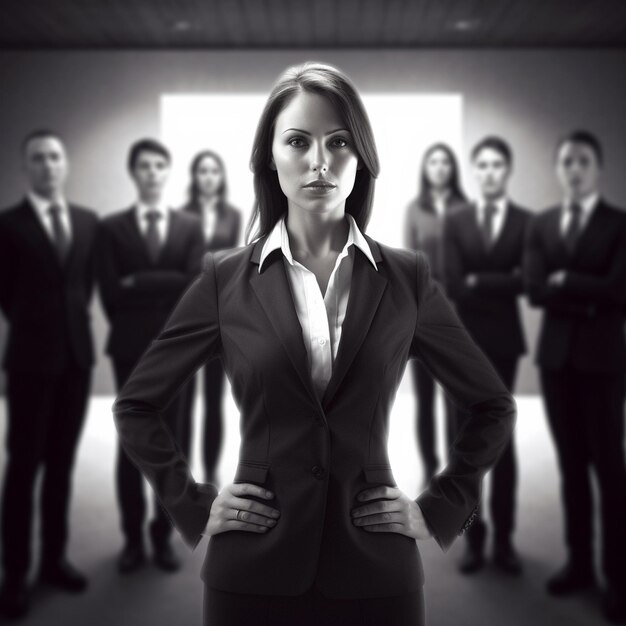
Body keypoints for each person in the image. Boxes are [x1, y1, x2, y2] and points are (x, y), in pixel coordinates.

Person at [112, 62, 516, 626]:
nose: (320, 162)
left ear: (362, 158)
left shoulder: (408, 277)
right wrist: (194, 504)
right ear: (269, 158)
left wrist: (443, 510)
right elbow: (136, 405)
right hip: (252, 570)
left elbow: (492, 406)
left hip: (378, 571)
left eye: (340, 142)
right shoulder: (223, 279)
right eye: (298, 141)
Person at [523, 130, 626, 624]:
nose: (574, 168)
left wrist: (570, 283)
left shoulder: (619, 223)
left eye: (583, 160)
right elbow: (536, 291)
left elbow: (620, 291)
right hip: (556, 363)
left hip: (603, 364)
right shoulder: (542, 225)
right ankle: (581, 566)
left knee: (611, 472)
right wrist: (584, 293)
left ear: (597, 167)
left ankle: (619, 580)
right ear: (559, 168)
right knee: (571, 471)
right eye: (566, 161)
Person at [0, 130, 98, 619]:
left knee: (61, 466)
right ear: (27, 167)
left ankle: (53, 561)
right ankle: (14, 575)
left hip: (77, 362)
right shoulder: (7, 224)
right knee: (22, 469)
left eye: (55, 157)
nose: (48, 165)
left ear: (66, 164)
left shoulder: (86, 222)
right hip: (30, 363)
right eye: (37, 158)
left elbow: (85, 287)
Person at [95, 139, 205, 575]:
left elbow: (193, 286)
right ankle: (132, 540)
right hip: (130, 351)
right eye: (145, 165)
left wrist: (137, 281)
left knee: (173, 446)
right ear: (134, 173)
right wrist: (166, 282)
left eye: (160, 165)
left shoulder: (190, 225)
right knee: (131, 446)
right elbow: (108, 294)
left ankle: (163, 537)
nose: (153, 172)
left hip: (178, 352)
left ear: (168, 172)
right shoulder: (110, 228)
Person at [443, 136, 530, 577]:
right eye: (483, 165)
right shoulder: (455, 220)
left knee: (504, 445)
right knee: (467, 446)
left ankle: (505, 543)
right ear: (474, 171)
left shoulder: (524, 222)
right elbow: (456, 284)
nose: (490, 172)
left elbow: (528, 284)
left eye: (498, 164)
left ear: (507, 170)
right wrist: (500, 279)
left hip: (504, 346)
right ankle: (473, 537)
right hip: (466, 348)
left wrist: (482, 281)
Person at [404, 143, 467, 485]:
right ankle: (429, 467)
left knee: (455, 399)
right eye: (433, 162)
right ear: (426, 169)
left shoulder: (466, 208)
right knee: (425, 397)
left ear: (452, 168)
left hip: (460, 317)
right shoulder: (415, 210)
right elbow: (410, 265)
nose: (439, 168)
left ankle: (453, 468)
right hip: (424, 315)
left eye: (445, 162)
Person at [179, 150, 242, 486]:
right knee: (185, 398)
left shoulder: (232, 215)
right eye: (202, 171)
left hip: (221, 318)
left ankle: (211, 470)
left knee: (215, 397)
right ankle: (186, 466)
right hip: (189, 316)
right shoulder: (180, 215)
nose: (208, 177)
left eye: (213, 171)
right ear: (194, 176)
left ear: (220, 177)